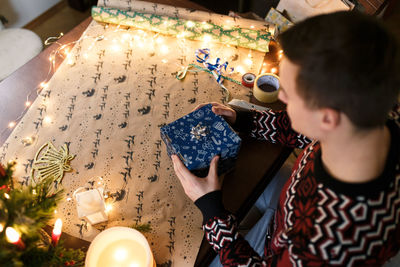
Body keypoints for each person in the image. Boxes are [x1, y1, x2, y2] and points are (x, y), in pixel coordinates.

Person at [171, 11, 400, 266]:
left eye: (289, 94)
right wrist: (244, 119)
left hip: (280, 247)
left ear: (327, 118)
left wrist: (212, 210)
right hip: (289, 204)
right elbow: (302, 129)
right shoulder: (373, 112)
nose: (282, 99)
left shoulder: (328, 243)